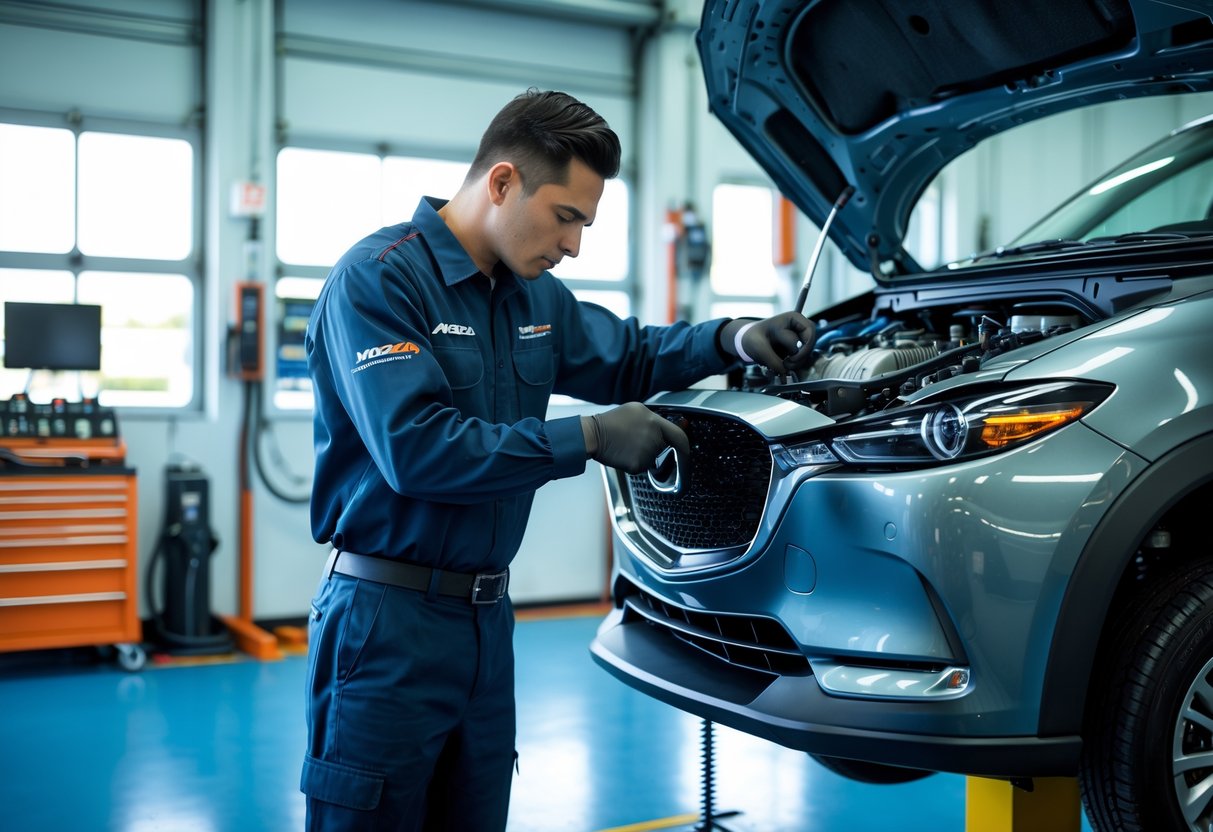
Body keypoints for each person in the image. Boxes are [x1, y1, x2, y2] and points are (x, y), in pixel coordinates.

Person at [301, 87, 817, 831]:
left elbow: (628, 353)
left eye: (584, 222)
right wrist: (590, 437)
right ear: (503, 182)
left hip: (485, 624)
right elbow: (417, 451)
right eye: (565, 216)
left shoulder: (531, 297)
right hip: (385, 625)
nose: (574, 244)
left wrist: (732, 337)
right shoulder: (379, 280)